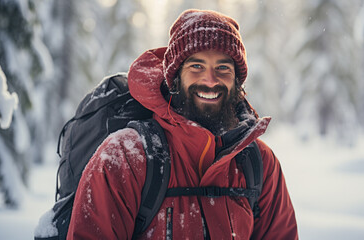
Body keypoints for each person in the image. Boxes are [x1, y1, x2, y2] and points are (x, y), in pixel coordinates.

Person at [67, 9, 298, 239]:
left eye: (223, 68)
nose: (210, 80)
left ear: (237, 80)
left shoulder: (260, 163)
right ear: (175, 77)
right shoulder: (126, 155)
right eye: (196, 66)